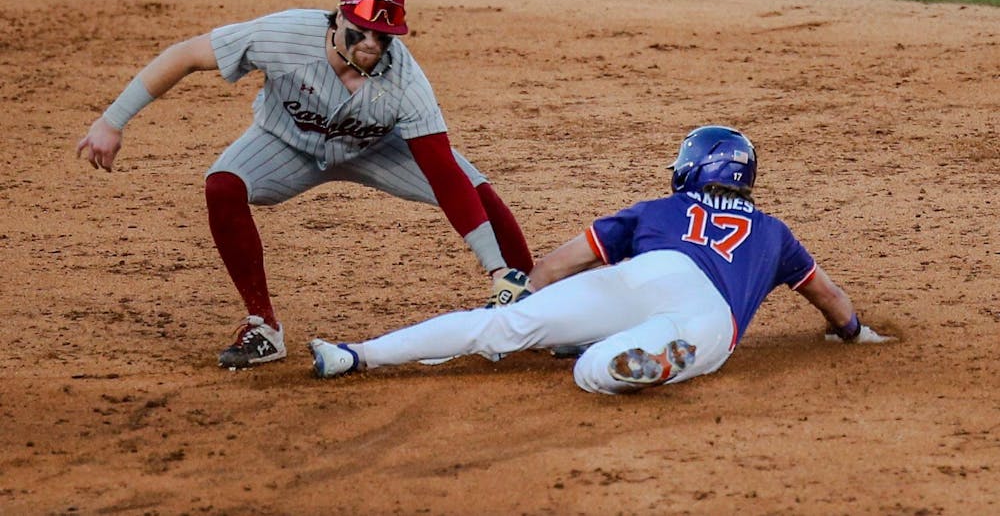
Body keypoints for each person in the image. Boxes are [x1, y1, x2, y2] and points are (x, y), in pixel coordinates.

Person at [76, 0, 534, 369]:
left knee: (479, 192)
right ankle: (263, 327)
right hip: (285, 144)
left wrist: (494, 267)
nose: (372, 44)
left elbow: (442, 170)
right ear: (337, 20)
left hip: (376, 149)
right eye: (361, 31)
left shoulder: (406, 82)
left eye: (384, 35)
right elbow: (186, 55)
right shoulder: (283, 35)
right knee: (223, 186)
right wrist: (111, 121)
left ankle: (533, 302)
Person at [308, 125, 894, 395]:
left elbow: (566, 260)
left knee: (499, 328)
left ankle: (355, 355)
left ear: (693, 167)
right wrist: (855, 333)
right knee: (593, 374)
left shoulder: (658, 207)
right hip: (712, 317)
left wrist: (524, 294)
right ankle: (639, 360)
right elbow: (831, 300)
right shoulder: (773, 234)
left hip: (646, 273)